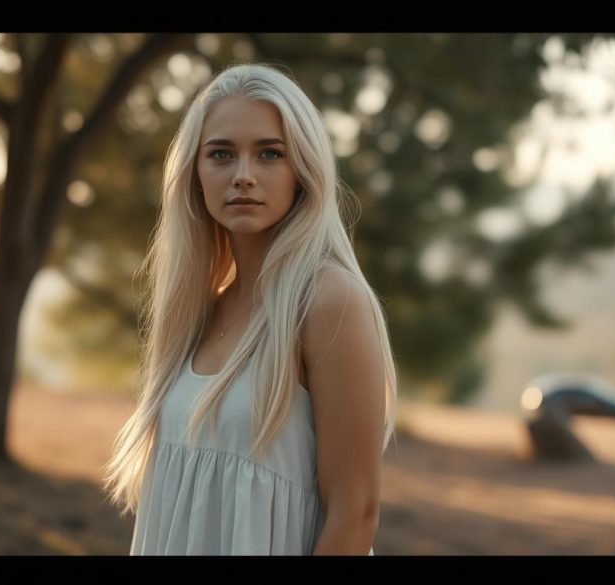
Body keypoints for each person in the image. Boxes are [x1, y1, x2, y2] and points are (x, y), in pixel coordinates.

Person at [101, 62, 398, 555]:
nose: (243, 176)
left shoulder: (328, 301)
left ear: (302, 169)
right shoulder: (198, 312)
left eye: (269, 154)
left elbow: (356, 513)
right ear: (194, 174)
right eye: (220, 154)